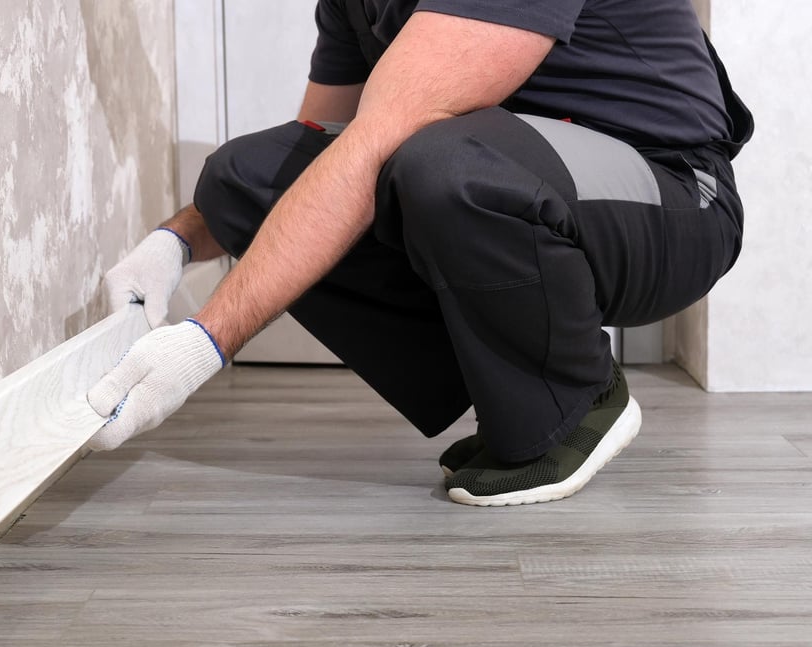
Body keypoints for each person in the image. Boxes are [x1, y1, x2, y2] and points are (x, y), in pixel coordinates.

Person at [85, 0, 753, 506]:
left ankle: (578, 399)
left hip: (672, 192)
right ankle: (501, 363)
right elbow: (317, 152)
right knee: (243, 178)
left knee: (443, 164)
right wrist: (175, 240)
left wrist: (205, 341)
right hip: (525, 176)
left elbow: (384, 141)